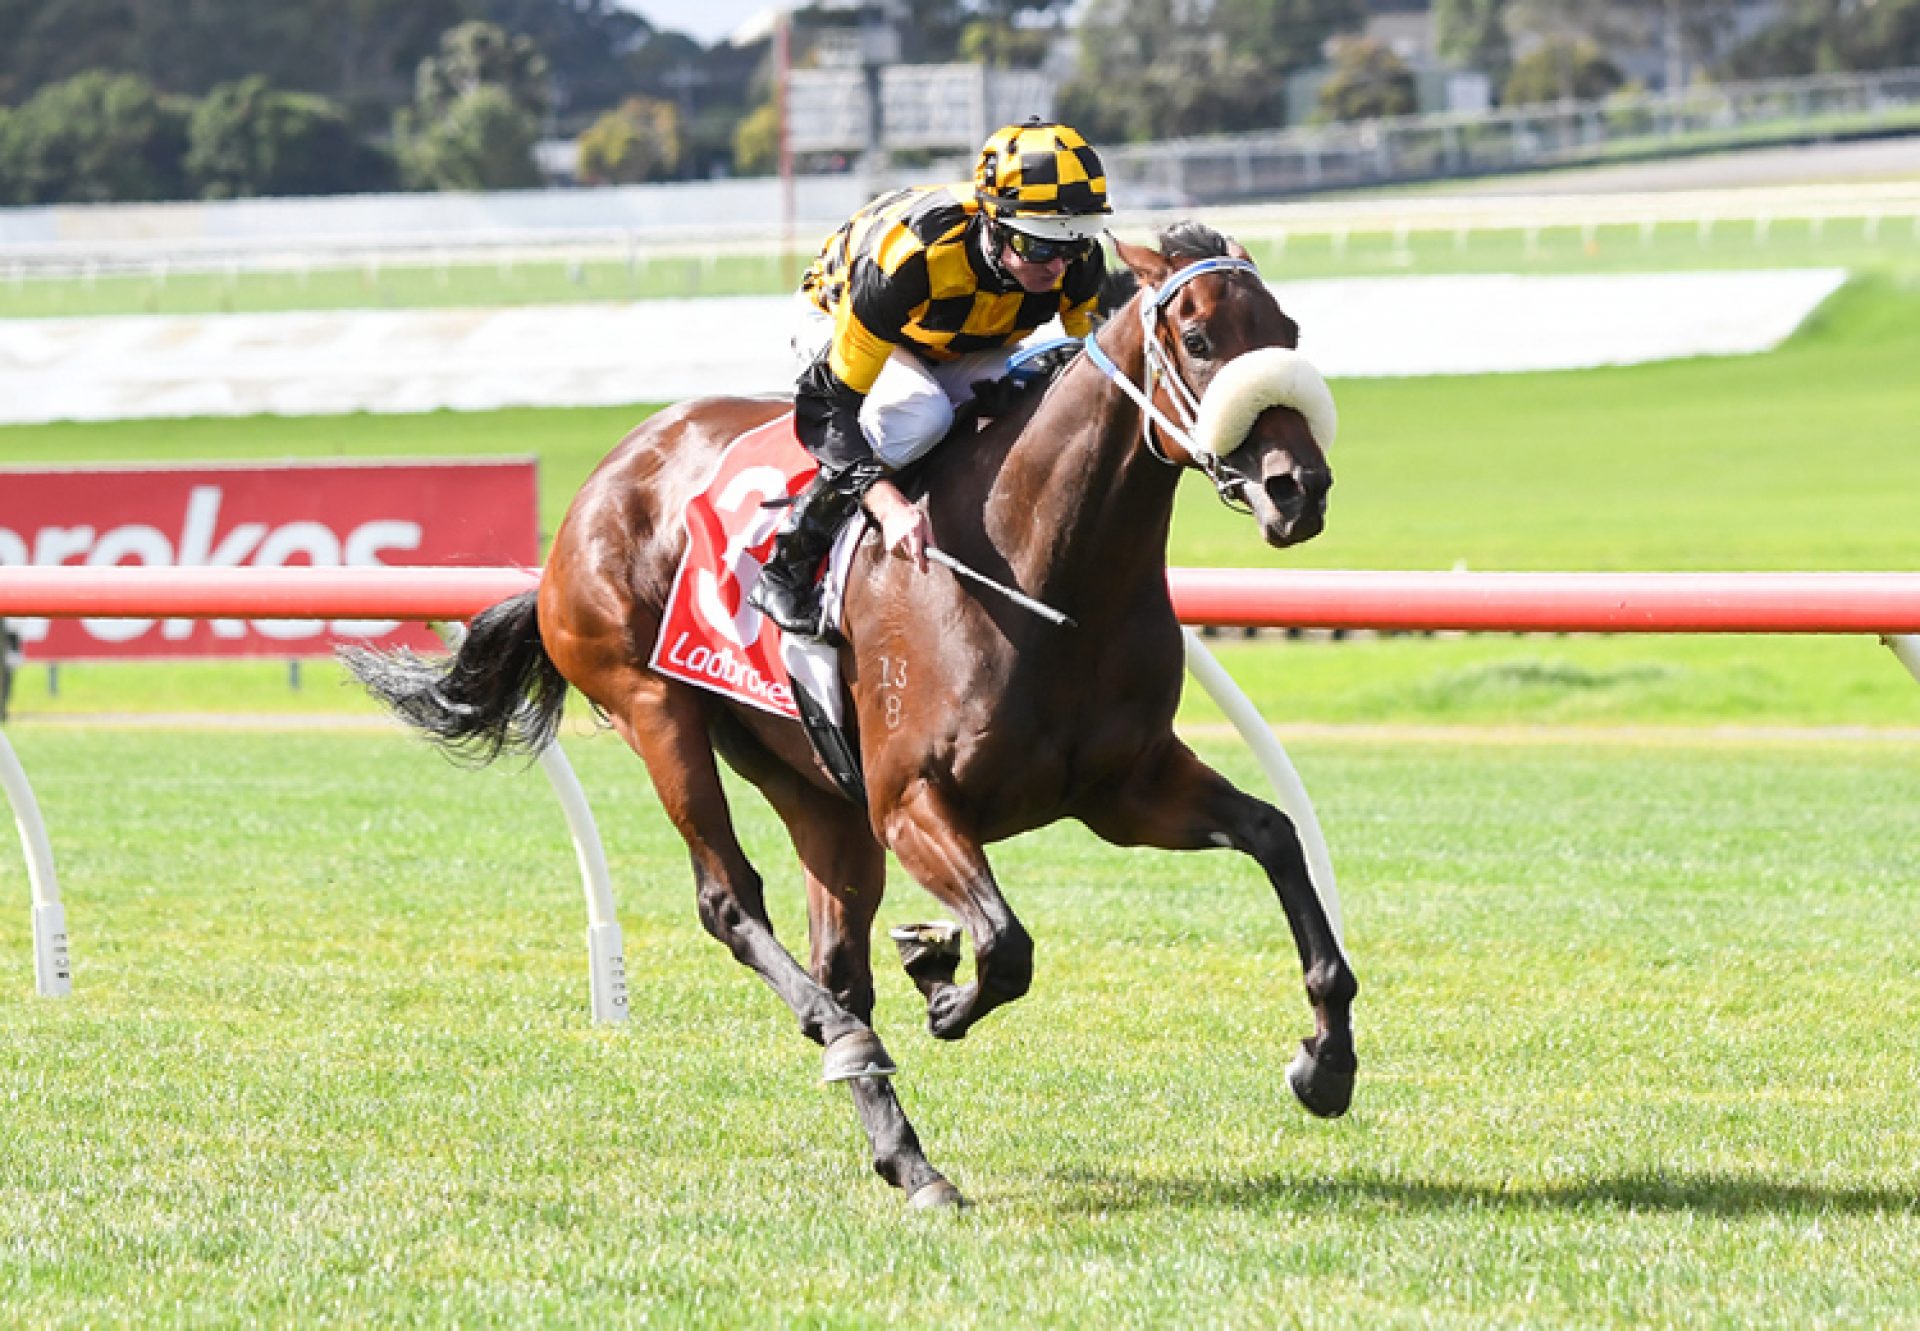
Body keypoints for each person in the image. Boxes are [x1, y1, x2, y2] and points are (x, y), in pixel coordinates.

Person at [749, 118, 1113, 638]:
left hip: (956, 337)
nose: (1057, 265)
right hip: (841, 315)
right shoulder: (911, 261)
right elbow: (831, 408)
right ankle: (789, 560)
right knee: (922, 412)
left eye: (1072, 244)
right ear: (995, 222)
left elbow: (1098, 362)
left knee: (1043, 392)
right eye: (1038, 247)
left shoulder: (1072, 258)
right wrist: (889, 506)